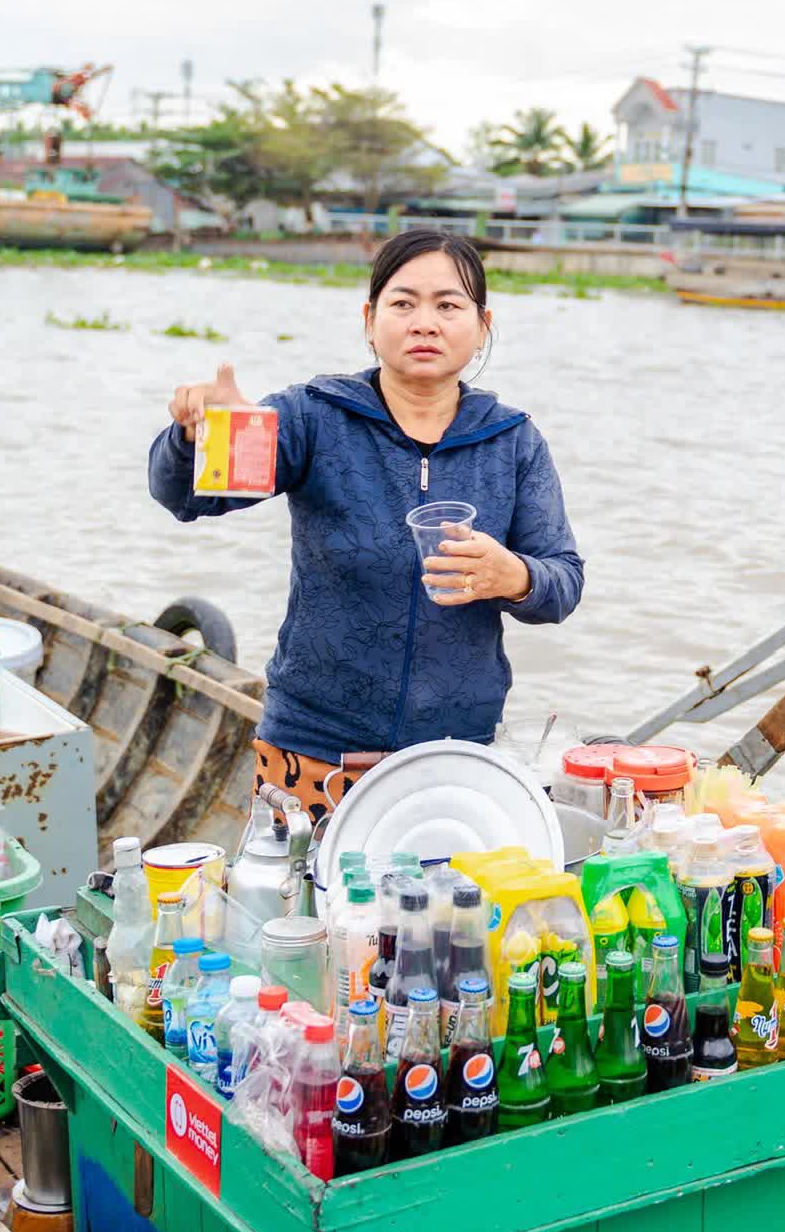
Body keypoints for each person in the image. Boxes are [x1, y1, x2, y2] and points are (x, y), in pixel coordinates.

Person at [149, 229, 583, 820]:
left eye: (448, 305)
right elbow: (187, 496)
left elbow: (563, 583)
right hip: (313, 748)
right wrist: (196, 435)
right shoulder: (314, 417)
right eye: (403, 303)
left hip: (457, 756)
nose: (425, 323)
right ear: (370, 318)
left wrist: (515, 575)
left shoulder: (512, 442)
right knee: (305, 910)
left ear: (482, 325)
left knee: (443, 913)